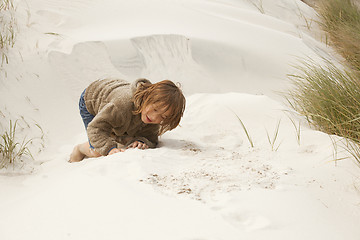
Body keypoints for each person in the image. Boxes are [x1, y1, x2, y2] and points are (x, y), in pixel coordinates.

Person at [69, 78, 186, 163]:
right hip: (91, 98)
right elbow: (95, 128)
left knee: (125, 135)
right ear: (147, 97)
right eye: (155, 109)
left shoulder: (151, 117)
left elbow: (151, 138)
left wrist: (141, 141)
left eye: (163, 117)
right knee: (99, 150)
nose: (155, 118)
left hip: (116, 100)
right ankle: (79, 149)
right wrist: (110, 149)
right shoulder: (121, 106)